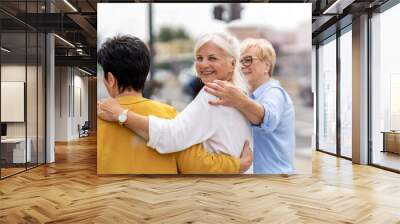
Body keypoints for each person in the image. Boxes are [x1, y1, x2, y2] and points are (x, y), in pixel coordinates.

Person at [97, 33, 253, 172]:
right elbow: (193, 165)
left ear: (110, 79)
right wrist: (237, 165)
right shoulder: (169, 114)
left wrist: (121, 115)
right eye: (199, 58)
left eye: (212, 58)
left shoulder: (213, 94)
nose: (203, 64)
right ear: (145, 73)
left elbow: (171, 136)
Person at [204, 38, 295, 174]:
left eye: (248, 60)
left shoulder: (274, 92)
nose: (241, 66)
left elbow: (268, 119)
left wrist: (239, 100)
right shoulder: (249, 95)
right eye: (239, 61)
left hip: (274, 179)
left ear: (267, 66)